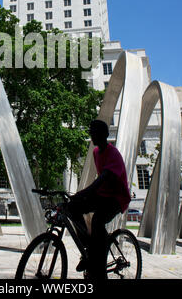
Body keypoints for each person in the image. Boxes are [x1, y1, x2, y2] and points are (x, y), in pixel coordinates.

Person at [67, 119, 131, 280]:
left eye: (95, 132)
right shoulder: (96, 153)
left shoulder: (113, 154)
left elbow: (102, 179)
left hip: (117, 197)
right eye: (91, 132)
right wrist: (80, 197)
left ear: (104, 135)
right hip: (103, 195)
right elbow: (99, 182)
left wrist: (82, 193)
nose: (92, 135)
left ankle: (99, 264)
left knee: (97, 220)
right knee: (71, 208)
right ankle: (89, 248)